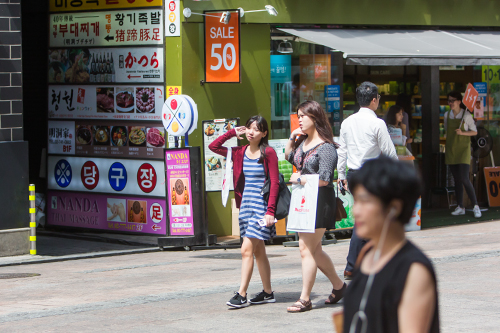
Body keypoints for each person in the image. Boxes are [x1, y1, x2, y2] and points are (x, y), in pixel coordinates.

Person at [343, 156, 439, 333]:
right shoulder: (366, 254)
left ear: (394, 207)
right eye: (356, 201)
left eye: (365, 201)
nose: (356, 210)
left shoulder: (414, 269)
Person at [209, 115, 280, 308]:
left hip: (261, 209)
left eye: (256, 129)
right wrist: (232, 132)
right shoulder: (239, 152)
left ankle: (241, 294)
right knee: (259, 251)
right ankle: (267, 292)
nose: (251, 131)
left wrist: (270, 212)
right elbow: (213, 147)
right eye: (249, 127)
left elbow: (275, 183)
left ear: (264, 133)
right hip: (245, 207)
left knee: (246, 250)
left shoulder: (269, 153)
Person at [284, 100, 346, 313]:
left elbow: (326, 179)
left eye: (303, 116)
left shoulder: (327, 147)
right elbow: (289, 156)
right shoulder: (303, 143)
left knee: (306, 248)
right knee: (315, 249)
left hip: (320, 202)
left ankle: (305, 299)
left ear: (315, 118)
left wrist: (300, 179)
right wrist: (292, 139)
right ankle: (339, 286)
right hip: (304, 201)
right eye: (298, 115)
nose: (299, 119)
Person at [337, 81, 398, 281]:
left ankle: (361, 264)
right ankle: (354, 265)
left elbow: (342, 152)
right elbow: (389, 152)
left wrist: (341, 175)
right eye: (378, 99)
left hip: (354, 174)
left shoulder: (347, 122)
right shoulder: (377, 123)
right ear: (374, 100)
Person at [444, 91, 481, 218]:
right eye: (449, 100)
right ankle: (460, 206)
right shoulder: (446, 115)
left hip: (464, 150)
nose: (450, 103)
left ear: (459, 102)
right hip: (451, 149)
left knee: (464, 178)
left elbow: (474, 132)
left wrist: (463, 133)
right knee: (457, 179)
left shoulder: (466, 115)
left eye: (453, 100)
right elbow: (446, 129)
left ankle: (476, 206)